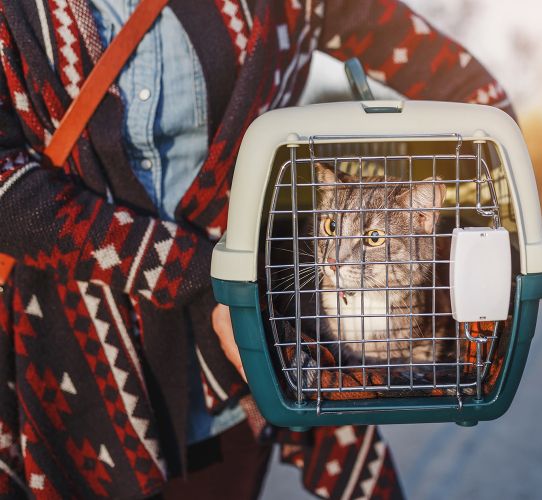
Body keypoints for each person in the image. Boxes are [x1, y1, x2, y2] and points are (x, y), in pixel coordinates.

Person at [0, 0, 515, 498]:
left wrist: (457, 244)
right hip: (66, 367)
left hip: (243, 373)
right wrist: (203, 277)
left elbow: (478, 98)